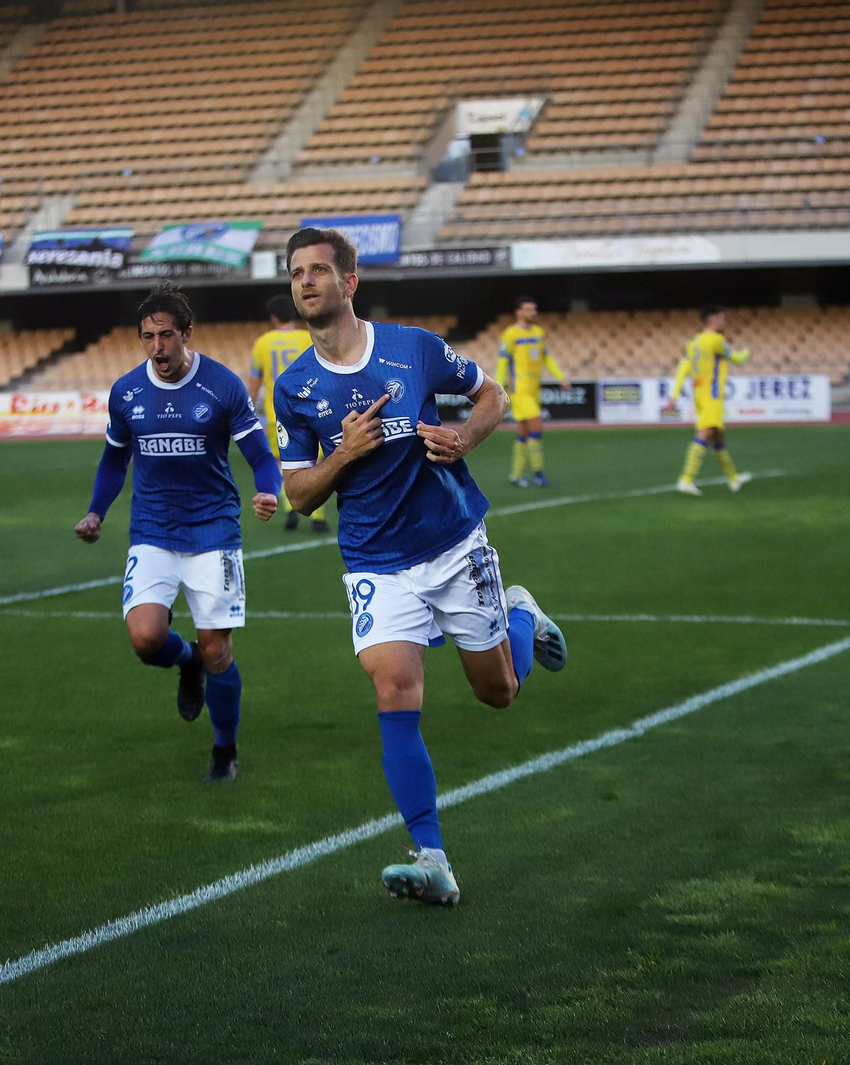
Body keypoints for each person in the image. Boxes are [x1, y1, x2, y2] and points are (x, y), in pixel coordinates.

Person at [273, 228, 568, 907]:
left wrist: (464, 434)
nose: (306, 281)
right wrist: (343, 454)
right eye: (296, 272)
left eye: (319, 270)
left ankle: (519, 609)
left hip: (453, 542)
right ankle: (431, 855)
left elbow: (492, 393)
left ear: (350, 283)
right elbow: (299, 492)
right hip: (375, 560)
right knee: (393, 691)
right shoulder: (294, 387)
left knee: (498, 691)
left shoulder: (414, 347)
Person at [74, 283, 283, 782]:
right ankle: (184, 660)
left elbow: (259, 453)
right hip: (152, 530)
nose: (157, 346)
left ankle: (224, 750)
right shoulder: (126, 392)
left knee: (219, 649)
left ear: (187, 334)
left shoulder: (223, 386)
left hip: (214, 530)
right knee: (146, 639)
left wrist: (268, 489)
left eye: (166, 335)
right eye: (147, 337)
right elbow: (113, 460)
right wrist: (96, 512)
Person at [249, 294, 328, 531]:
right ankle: (318, 517)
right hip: (311, 409)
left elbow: (255, 380)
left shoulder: (263, 342)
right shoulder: (308, 338)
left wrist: (249, 408)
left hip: (277, 413)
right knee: (316, 462)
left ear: (273, 317)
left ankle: (290, 508)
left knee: (283, 462)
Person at [663, 306, 752, 496]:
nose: (724, 321)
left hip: (699, 396)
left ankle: (733, 480)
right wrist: (747, 352)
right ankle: (686, 480)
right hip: (712, 396)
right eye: (721, 318)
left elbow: (682, 370)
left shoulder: (693, 343)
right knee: (704, 434)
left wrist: (674, 396)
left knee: (719, 438)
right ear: (712, 319)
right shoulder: (717, 341)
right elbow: (737, 359)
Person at [496, 296, 570, 487]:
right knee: (536, 427)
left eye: (534, 309)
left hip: (535, 391)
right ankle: (538, 472)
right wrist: (498, 384)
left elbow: (547, 358)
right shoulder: (510, 334)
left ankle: (516, 475)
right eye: (528, 309)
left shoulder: (538, 332)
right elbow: (503, 361)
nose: (533, 313)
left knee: (524, 432)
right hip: (520, 391)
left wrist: (560, 376)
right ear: (518, 312)